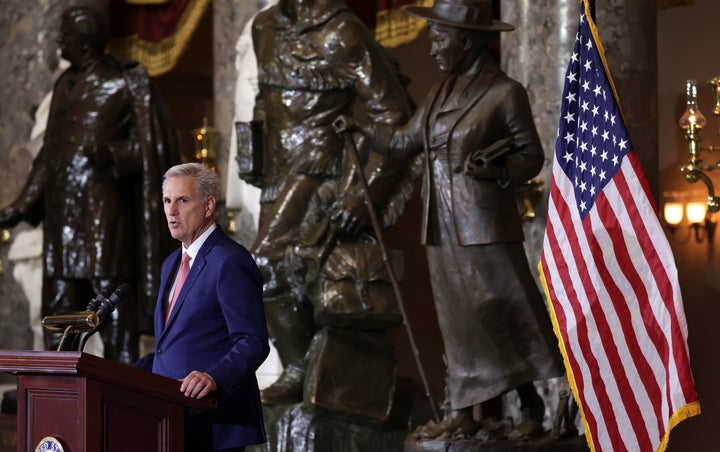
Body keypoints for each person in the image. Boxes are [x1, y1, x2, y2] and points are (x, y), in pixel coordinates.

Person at [334, 0, 565, 440]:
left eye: (440, 38)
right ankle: (462, 411)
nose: (433, 47)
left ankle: (532, 404)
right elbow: (404, 140)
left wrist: (498, 171)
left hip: (484, 227)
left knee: (503, 314)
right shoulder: (440, 91)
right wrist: (362, 129)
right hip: (440, 227)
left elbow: (530, 155)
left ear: (469, 41)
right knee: (458, 324)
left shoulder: (504, 93)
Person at [239, 0, 419, 405]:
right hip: (278, 172)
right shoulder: (264, 26)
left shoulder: (340, 29)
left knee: (263, 266)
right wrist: (252, 146)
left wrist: (363, 193)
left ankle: (304, 369)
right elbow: (265, 98)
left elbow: (393, 113)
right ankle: (310, 375)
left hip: (322, 171)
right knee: (283, 277)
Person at [0, 6, 178, 363]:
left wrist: (114, 155)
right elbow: (47, 159)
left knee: (111, 311)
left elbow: (154, 148)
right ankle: (54, 388)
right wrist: (19, 207)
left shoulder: (127, 81)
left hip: (105, 219)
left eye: (65, 35)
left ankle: (122, 391)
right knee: (58, 311)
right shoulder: (63, 86)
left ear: (85, 41)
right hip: (63, 222)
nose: (59, 41)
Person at [134, 163, 270, 451]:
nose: (171, 211)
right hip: (170, 418)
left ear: (208, 206)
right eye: (167, 201)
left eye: (182, 200)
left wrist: (215, 378)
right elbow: (170, 345)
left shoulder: (229, 261)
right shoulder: (171, 264)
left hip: (213, 421)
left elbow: (252, 340)